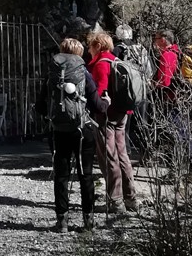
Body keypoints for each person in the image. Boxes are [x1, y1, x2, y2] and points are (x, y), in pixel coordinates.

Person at [38, 37, 109, 233]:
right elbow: (96, 104)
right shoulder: (83, 73)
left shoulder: (52, 75)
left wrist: (53, 115)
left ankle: (62, 222)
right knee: (86, 175)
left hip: (59, 130)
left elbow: (40, 105)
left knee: (61, 175)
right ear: (79, 54)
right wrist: (106, 103)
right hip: (83, 129)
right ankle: (89, 222)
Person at [87, 31, 138, 214]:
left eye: (91, 46)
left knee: (109, 156)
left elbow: (99, 93)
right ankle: (130, 198)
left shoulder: (101, 64)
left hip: (106, 116)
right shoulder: (116, 61)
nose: (89, 49)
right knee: (122, 154)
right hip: (122, 113)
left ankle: (115, 201)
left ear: (98, 46)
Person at [151, 29, 192, 168]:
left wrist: (153, 84)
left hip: (173, 99)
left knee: (177, 134)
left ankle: (179, 168)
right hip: (185, 98)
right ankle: (191, 166)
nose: (154, 41)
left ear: (163, 40)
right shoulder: (178, 52)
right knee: (186, 131)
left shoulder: (167, 55)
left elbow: (165, 82)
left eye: (156, 38)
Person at [113, 24, 153, 163]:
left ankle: (126, 153)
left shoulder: (117, 50)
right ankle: (146, 153)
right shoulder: (141, 49)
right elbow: (149, 70)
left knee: (125, 124)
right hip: (142, 90)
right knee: (143, 122)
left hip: (126, 92)